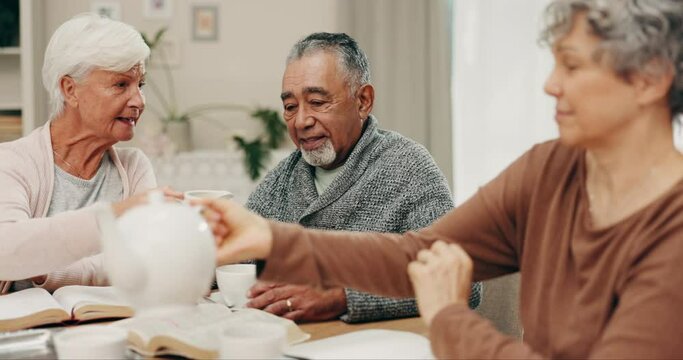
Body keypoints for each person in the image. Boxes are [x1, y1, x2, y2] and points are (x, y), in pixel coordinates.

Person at [198, 0, 683, 358]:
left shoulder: (672, 233)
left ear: (651, 78)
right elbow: (420, 253)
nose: (550, 83)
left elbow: (452, 293)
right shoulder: (550, 169)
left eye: (572, 65)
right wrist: (267, 237)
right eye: (555, 62)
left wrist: (449, 318)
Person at [244, 32, 481, 323]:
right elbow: (237, 256)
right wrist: (196, 231)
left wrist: (343, 297)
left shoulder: (408, 167)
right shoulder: (284, 177)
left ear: (363, 101)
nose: (302, 121)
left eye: (317, 102)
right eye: (291, 107)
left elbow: (464, 283)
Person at [0, 13, 176, 294]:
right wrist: (116, 216)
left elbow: (145, 261)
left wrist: (46, 267)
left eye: (139, 85)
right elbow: (6, 250)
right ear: (70, 90)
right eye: (121, 85)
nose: (139, 101)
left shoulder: (133, 167)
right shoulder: (12, 162)